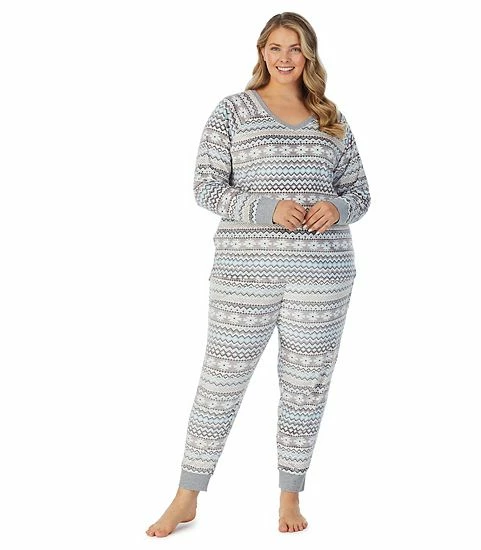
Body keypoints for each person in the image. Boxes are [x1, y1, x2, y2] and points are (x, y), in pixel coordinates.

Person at [146, 11, 371, 537]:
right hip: (244, 275)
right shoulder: (233, 111)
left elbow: (360, 193)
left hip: (323, 275)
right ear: (262, 52)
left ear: (309, 54)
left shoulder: (331, 117)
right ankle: (186, 496)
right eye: (275, 47)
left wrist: (337, 207)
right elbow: (206, 187)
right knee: (220, 381)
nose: (285, 57)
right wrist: (267, 208)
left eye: (295, 48)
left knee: (306, 385)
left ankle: (290, 497)